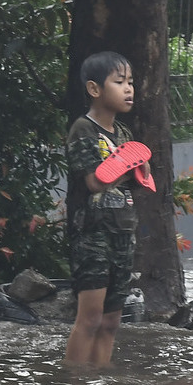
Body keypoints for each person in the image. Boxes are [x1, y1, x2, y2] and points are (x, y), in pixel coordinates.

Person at [63, 51, 152, 368]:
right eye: (119, 82)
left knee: (112, 320)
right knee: (90, 317)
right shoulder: (83, 130)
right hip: (92, 235)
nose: (129, 89)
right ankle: (73, 384)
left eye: (130, 82)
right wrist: (129, 164)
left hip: (123, 234)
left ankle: (99, 378)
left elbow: (142, 179)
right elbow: (95, 181)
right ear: (94, 89)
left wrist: (140, 169)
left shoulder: (125, 134)